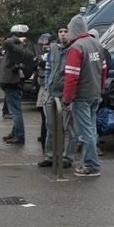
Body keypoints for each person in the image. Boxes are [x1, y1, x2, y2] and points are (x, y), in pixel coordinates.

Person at [63, 14, 107, 177]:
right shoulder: (96, 44)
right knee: (91, 129)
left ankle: (91, 164)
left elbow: (71, 76)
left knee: (85, 131)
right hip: (95, 94)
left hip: (81, 96)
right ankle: (91, 162)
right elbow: (103, 70)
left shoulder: (76, 48)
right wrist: (101, 89)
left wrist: (67, 99)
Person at [38, 23, 76, 168]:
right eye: (60, 31)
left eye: (66, 31)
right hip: (51, 93)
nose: (63, 34)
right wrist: (47, 85)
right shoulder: (53, 49)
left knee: (68, 128)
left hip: (66, 94)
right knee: (51, 126)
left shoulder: (74, 50)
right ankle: (50, 156)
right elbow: (48, 69)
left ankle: (67, 157)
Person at [0, 28, 33, 145]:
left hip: (12, 83)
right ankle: (15, 133)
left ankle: (19, 136)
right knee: (15, 110)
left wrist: (16, 38)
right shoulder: (18, 49)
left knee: (15, 111)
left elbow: (7, 43)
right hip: (12, 82)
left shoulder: (16, 48)